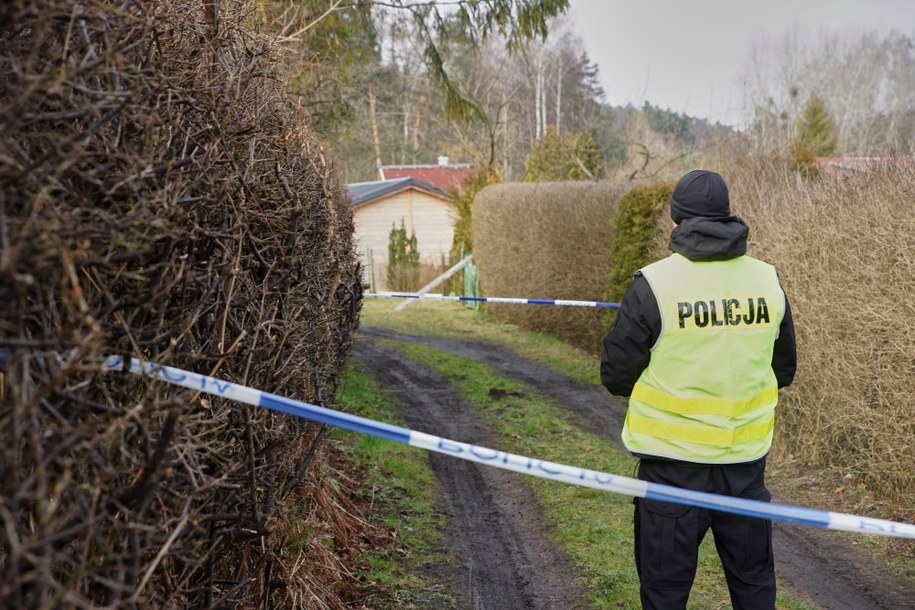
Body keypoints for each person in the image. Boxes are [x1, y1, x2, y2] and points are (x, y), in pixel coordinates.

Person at [600, 169, 797, 610]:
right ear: (728, 215)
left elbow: (615, 374)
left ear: (676, 218)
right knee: (753, 587)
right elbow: (784, 369)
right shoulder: (767, 280)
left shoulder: (654, 283)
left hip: (672, 471)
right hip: (744, 468)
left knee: (665, 592)